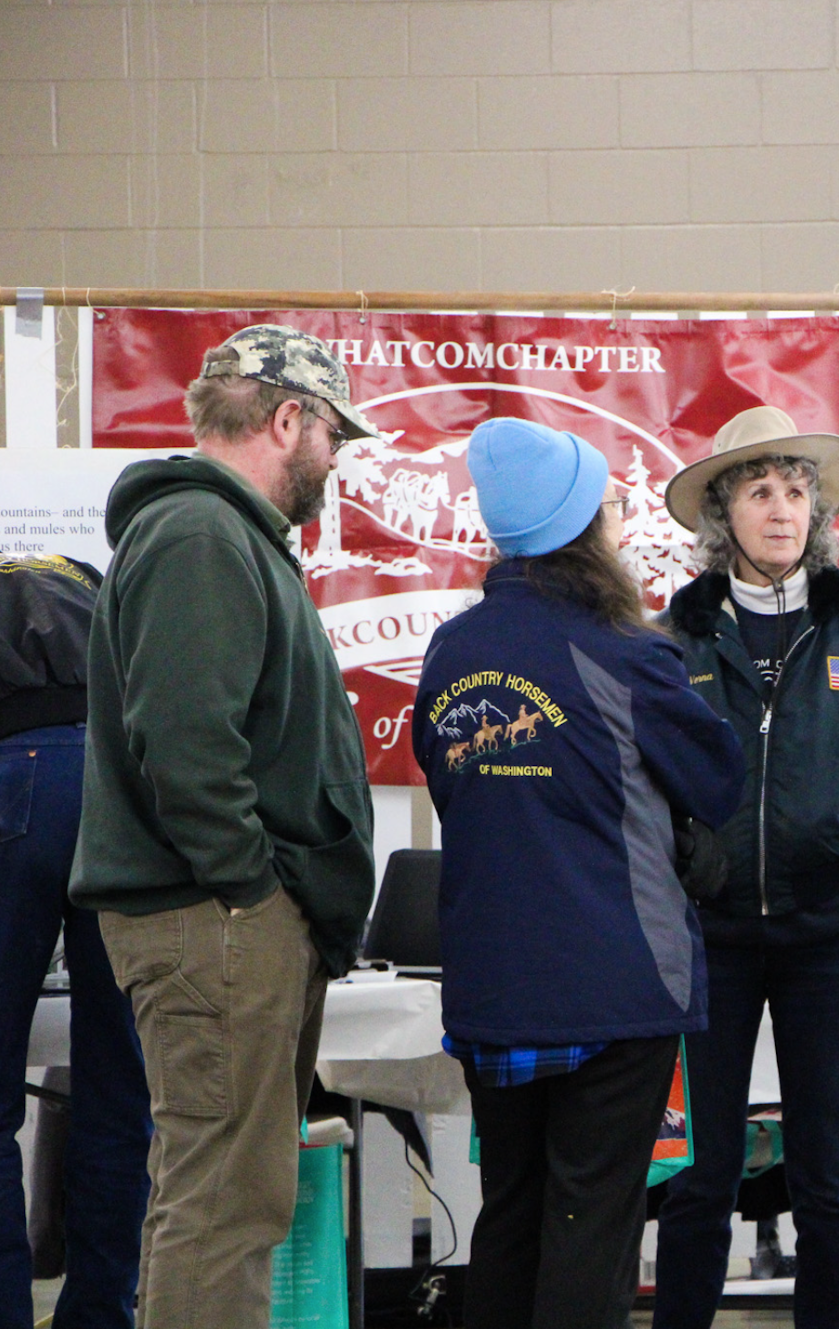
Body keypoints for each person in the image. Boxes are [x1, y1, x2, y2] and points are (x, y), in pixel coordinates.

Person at [68, 324, 379, 1329]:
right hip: (218, 923)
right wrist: (249, 886)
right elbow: (187, 744)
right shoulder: (201, 536)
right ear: (287, 418)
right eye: (332, 434)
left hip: (228, 921)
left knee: (229, 1200)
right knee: (219, 1208)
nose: (335, 459)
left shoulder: (219, 536)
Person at [413, 417, 744, 1328]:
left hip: (493, 985)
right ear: (584, 530)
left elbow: (451, 786)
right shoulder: (627, 653)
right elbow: (717, 779)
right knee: (590, 1229)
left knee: (511, 1218)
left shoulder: (450, 652)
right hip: (612, 980)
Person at [653, 405, 839, 1329]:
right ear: (724, 513)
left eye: (797, 490)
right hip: (707, 935)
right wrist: (693, 850)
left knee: (832, 1178)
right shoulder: (673, 636)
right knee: (699, 1174)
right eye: (761, 490)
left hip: (834, 933)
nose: (783, 508)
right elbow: (645, 777)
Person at [1, 555, 150, 1329]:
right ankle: (100, 1311)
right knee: (118, 1090)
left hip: (13, 766)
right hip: (114, 779)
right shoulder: (89, 576)